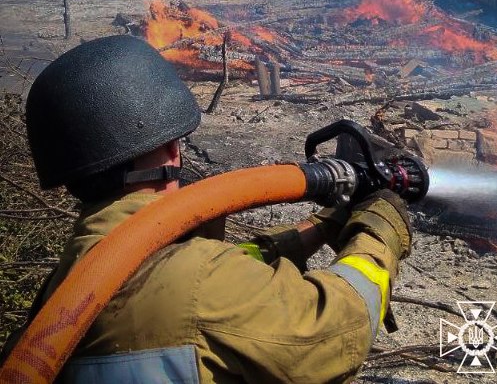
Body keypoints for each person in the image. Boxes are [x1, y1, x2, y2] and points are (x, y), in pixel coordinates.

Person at [9, 35, 412, 383]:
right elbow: (339, 327)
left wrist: (321, 226)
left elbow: (218, 271)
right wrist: (380, 228)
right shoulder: (200, 285)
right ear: (171, 148)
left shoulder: (72, 281)